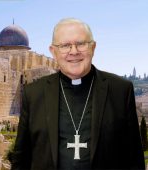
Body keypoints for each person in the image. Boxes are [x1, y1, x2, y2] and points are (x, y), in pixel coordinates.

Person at [9, 18, 145, 170]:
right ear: (53, 52)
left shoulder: (120, 90)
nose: (73, 52)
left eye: (81, 44)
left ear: (93, 47)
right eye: (65, 45)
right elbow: (21, 159)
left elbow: (134, 159)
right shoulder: (34, 93)